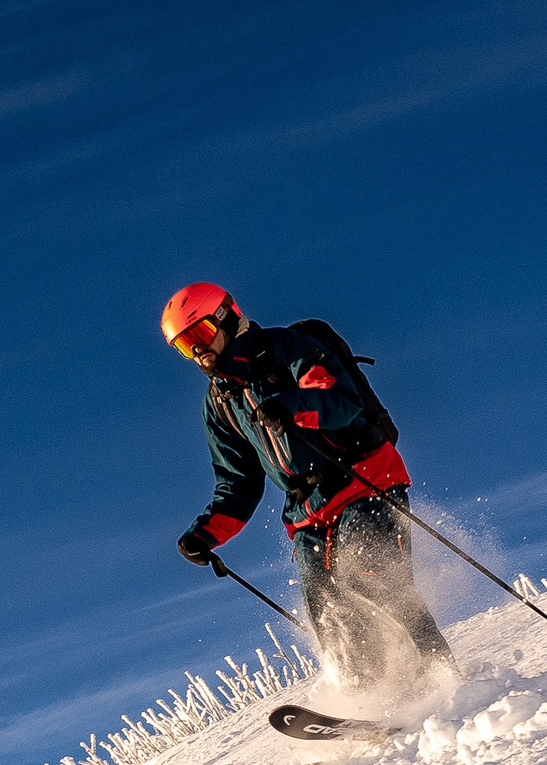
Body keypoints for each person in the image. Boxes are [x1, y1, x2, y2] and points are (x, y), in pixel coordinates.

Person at [162, 282, 455, 693]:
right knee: (328, 611)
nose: (198, 351)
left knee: (368, 576)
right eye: (184, 346)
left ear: (226, 317)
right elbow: (238, 481)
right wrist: (204, 535)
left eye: (200, 334)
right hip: (307, 515)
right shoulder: (221, 402)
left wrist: (291, 406)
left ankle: (443, 675)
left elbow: (340, 400)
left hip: (363, 481)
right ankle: (368, 702)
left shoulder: (285, 348)